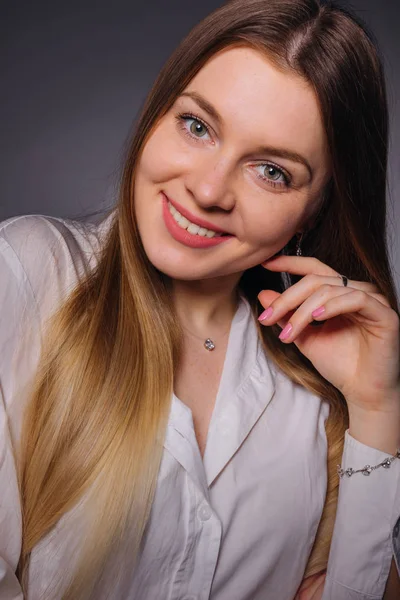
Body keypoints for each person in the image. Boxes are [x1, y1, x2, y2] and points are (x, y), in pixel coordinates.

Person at [1, 0, 399, 598]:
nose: (208, 190)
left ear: (316, 209)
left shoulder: (321, 389)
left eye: (271, 170)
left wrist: (376, 409)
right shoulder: (28, 273)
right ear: (157, 113)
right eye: (197, 126)